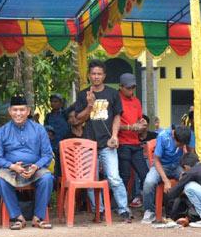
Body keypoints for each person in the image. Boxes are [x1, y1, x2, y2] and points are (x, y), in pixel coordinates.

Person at [75, 59, 133, 222]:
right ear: (88, 75)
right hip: (88, 145)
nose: (96, 77)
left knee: (114, 178)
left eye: (99, 74)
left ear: (104, 76)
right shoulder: (83, 94)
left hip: (108, 143)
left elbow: (117, 116)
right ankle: (99, 210)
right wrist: (89, 105)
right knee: (91, 180)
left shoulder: (113, 93)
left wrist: (114, 136)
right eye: (93, 74)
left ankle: (123, 209)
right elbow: (78, 119)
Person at [0, 95, 54, 230]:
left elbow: (47, 155)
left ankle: (38, 218)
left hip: (35, 168)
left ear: (28, 111)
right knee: (0, 180)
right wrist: (12, 166)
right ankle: (18, 218)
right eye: (15, 110)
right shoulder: (2, 132)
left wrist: (36, 166)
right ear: (9, 111)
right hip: (11, 169)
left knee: (47, 177)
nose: (18, 113)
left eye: (22, 110)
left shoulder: (39, 130)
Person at [141, 125, 192, 223]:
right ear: (173, 136)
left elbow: (189, 155)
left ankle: (190, 211)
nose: (181, 147)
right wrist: (166, 180)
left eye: (183, 145)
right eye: (180, 144)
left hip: (177, 166)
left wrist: (186, 172)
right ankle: (149, 211)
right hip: (161, 165)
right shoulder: (163, 136)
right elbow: (156, 160)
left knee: (190, 180)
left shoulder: (185, 135)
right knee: (149, 182)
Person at [116, 73, 148, 212]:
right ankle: (121, 206)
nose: (131, 91)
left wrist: (143, 123)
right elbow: (112, 123)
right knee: (124, 175)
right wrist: (130, 127)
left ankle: (146, 204)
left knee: (145, 174)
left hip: (135, 143)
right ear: (121, 87)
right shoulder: (115, 100)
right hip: (122, 143)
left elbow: (140, 119)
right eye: (128, 88)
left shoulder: (136, 101)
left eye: (133, 87)